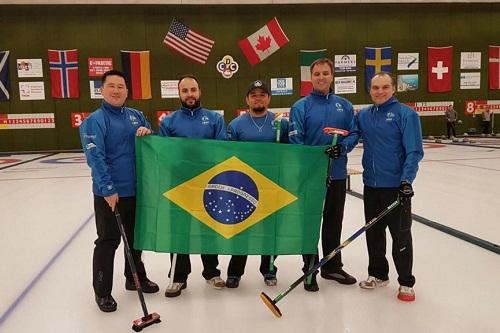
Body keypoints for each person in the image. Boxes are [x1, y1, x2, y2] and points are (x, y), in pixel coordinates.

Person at [79, 70, 159, 313]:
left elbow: (149, 146)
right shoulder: (95, 120)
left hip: (136, 191)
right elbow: (96, 157)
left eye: (121, 86)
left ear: (127, 91)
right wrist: (108, 189)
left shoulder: (136, 116)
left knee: (135, 238)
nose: (116, 90)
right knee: (109, 241)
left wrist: (148, 133)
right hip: (110, 194)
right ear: (102, 90)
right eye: (111, 86)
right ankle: (102, 291)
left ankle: (134, 278)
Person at [289, 58, 358, 292]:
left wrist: (344, 147)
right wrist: (311, 160)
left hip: (337, 175)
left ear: (332, 76)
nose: (321, 77)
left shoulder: (345, 106)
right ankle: (310, 269)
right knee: (309, 222)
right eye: (316, 73)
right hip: (310, 176)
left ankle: (332, 266)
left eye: (325, 73)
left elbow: (354, 133)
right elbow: (296, 140)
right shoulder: (301, 106)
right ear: (311, 77)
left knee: (332, 222)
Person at [356, 72, 424, 302]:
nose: (380, 91)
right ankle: (377, 273)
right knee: (373, 233)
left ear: (394, 88)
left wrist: (406, 181)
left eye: (385, 87)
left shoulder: (406, 114)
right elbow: (351, 136)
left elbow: (414, 151)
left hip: (396, 186)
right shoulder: (364, 115)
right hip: (371, 185)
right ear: (370, 90)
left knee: (401, 236)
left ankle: (406, 281)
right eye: (375, 87)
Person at [159, 74, 226, 297]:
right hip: (180, 187)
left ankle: (211, 272)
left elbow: (222, 150)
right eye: (185, 90)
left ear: (200, 91)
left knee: (208, 229)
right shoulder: (168, 122)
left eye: (193, 90)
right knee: (180, 231)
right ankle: (178, 277)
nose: (190, 94)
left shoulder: (214, 119)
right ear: (179, 93)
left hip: (209, 186)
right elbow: (165, 155)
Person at [224, 80, 289, 289]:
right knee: (242, 229)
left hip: (272, 186)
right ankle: (235, 272)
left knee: (270, 230)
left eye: (262, 94)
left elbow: (293, 151)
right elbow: (227, 156)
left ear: (269, 98)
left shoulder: (281, 123)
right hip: (244, 186)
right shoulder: (236, 125)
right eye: (254, 94)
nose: (258, 98)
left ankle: (269, 269)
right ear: (247, 99)